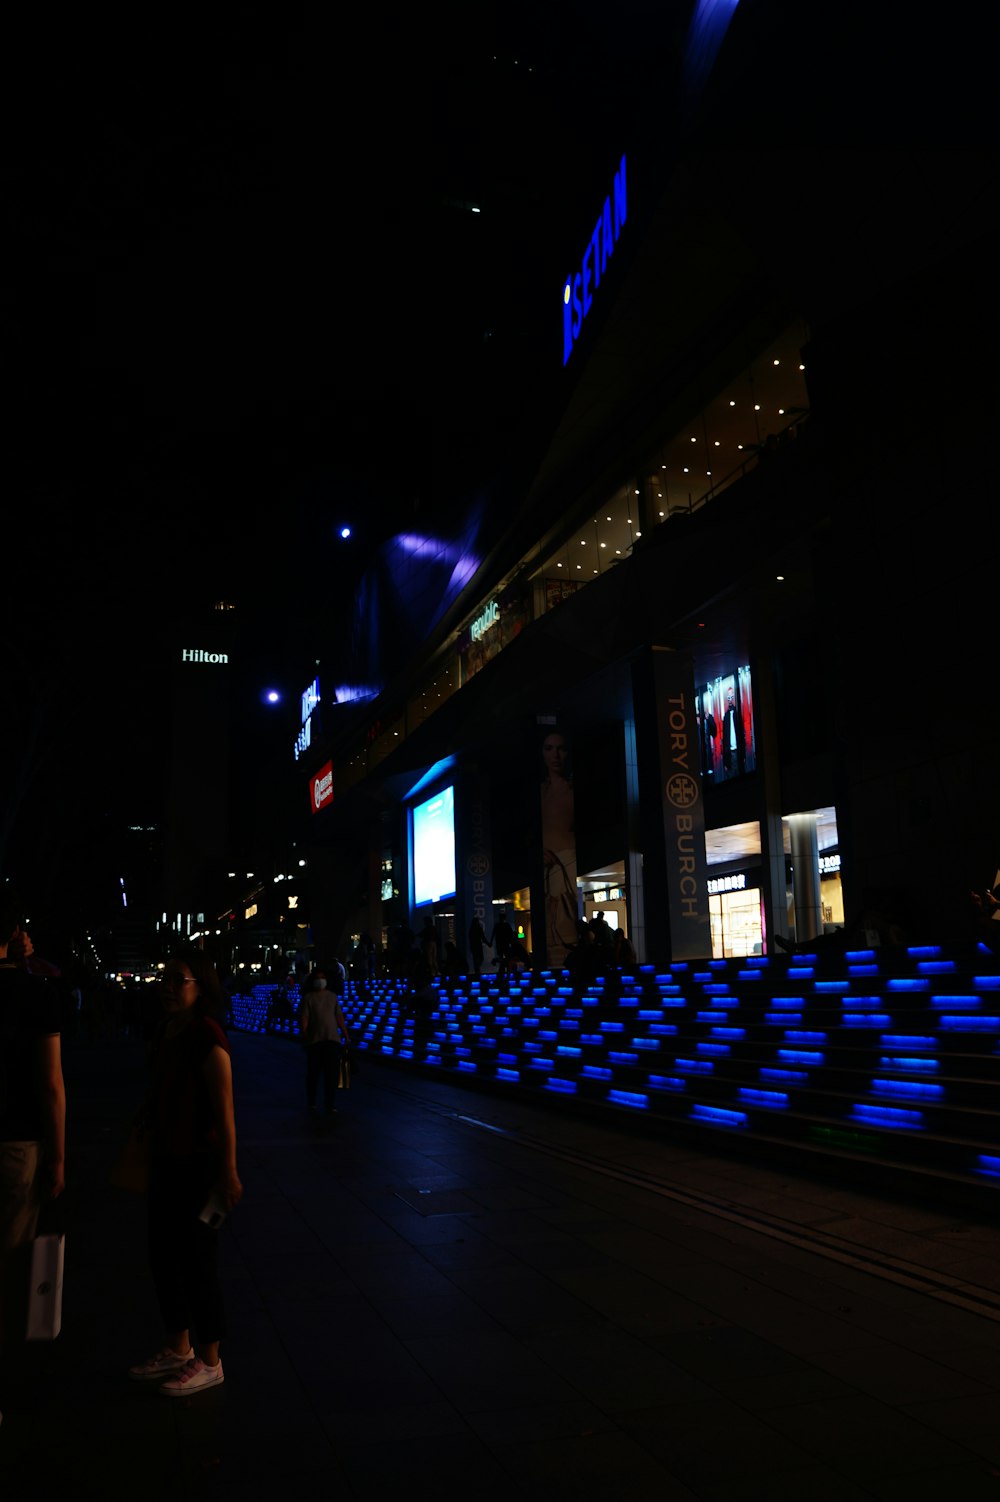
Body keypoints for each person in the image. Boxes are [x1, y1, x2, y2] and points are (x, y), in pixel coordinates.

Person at [128, 950, 242, 1397]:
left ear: (202, 987)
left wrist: (228, 1172)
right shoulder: (167, 1032)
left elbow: (225, 1111)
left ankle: (210, 1360)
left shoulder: (207, 1035)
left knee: (197, 1263)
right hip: (165, 1159)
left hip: (198, 1165)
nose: (169, 987)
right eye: (166, 978)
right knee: (163, 1257)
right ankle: (178, 1348)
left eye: (179, 980)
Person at [0, 889, 66, 1418]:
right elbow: (51, 1086)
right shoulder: (36, 993)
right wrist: (58, 1157)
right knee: (11, 1260)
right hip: (17, 1143)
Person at [540, 729, 577, 966]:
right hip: (548, 866)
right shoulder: (541, 791)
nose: (556, 755)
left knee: (564, 925)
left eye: (561, 748)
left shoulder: (571, 790)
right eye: (549, 749)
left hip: (567, 862)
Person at [297, 969, 350, 1115]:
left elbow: (339, 1016)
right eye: (318, 978)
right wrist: (305, 1035)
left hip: (332, 1040)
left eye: (323, 978)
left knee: (331, 1074)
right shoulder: (308, 998)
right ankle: (312, 1102)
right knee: (313, 1073)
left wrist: (345, 1034)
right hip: (315, 1040)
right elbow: (304, 1018)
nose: (320, 981)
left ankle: (329, 1103)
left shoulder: (332, 997)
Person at [490, 910, 516, 976]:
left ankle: (501, 969)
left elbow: (493, 934)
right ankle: (505, 971)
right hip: (505, 944)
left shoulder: (498, 925)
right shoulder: (507, 925)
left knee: (502, 958)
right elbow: (511, 934)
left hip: (500, 945)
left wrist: (490, 942)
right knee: (506, 958)